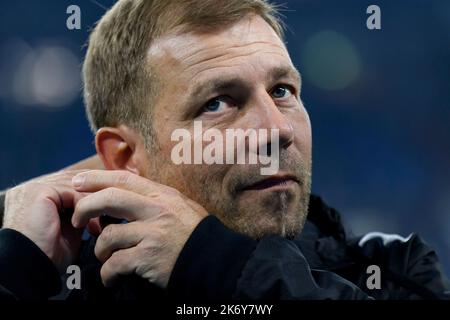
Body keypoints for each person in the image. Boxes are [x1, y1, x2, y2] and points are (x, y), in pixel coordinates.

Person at [0, 0, 448, 300]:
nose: (276, 130)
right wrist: (14, 273)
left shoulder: (391, 271)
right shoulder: (44, 281)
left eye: (282, 90)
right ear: (123, 157)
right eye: (217, 102)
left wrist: (217, 263)